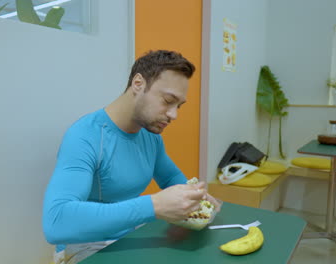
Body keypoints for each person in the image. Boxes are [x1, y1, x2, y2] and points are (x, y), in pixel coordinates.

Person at [43, 50, 220, 264]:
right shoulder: (85, 136)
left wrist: (195, 198)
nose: (174, 115)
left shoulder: (150, 136)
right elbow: (56, 222)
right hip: (86, 249)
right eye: (167, 100)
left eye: (179, 106)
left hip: (131, 238)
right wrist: (154, 206)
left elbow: (171, 177)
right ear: (138, 84)